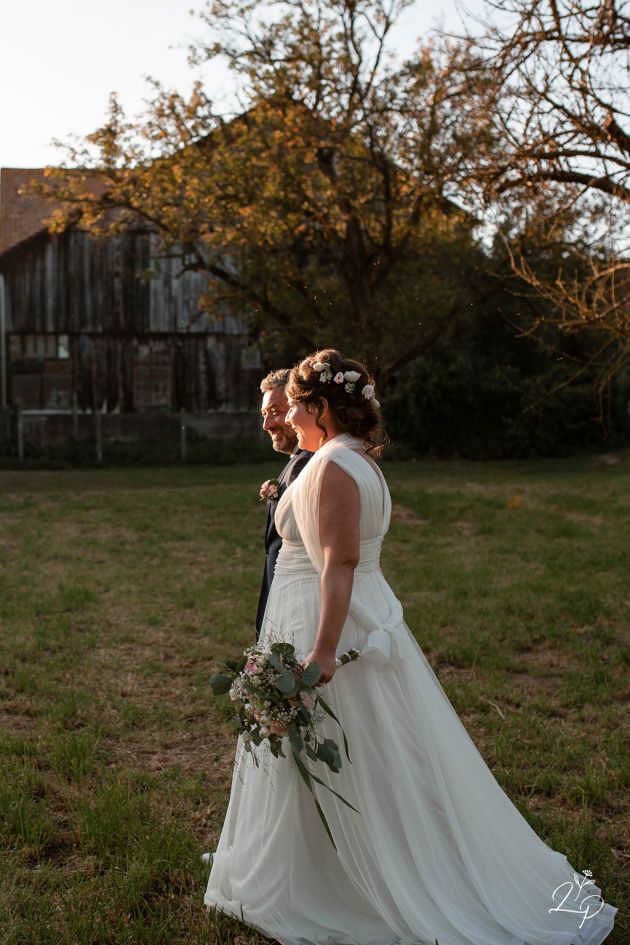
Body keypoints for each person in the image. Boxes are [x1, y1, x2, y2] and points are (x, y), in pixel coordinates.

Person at [205, 349, 617, 945]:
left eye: (294, 407)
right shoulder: (351, 460)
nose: (288, 419)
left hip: (329, 624)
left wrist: (321, 652)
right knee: (348, 751)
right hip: (335, 615)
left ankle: (345, 882)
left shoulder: (335, 468)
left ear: (320, 406)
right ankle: (298, 865)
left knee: (356, 751)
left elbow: (339, 564)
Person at [256, 369, 312, 640]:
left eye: (275, 411)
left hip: (299, 609)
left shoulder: (308, 465)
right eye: (264, 414)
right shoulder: (297, 462)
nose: (267, 425)